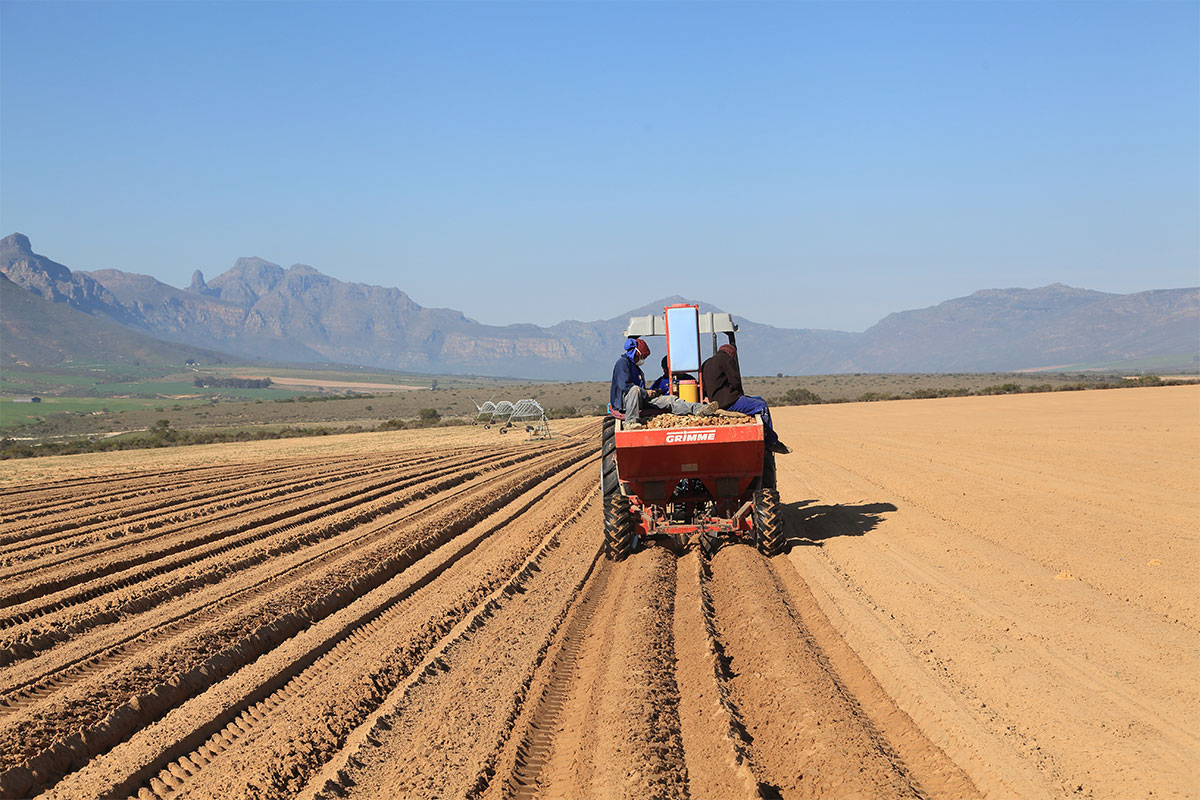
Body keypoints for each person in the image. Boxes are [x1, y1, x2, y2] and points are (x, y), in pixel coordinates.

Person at [701, 343, 791, 454]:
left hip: (715, 401)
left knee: (759, 399)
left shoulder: (706, 363)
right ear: (731, 353)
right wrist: (740, 395)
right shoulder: (726, 360)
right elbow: (735, 382)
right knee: (762, 406)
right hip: (729, 402)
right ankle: (771, 442)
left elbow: (703, 386)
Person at [611, 338, 718, 428]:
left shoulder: (636, 368)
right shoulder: (623, 363)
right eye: (643, 357)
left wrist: (651, 392)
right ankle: (631, 422)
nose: (643, 360)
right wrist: (645, 393)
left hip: (640, 399)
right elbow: (625, 386)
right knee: (635, 389)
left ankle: (699, 409)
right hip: (625, 402)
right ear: (636, 353)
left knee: (670, 400)